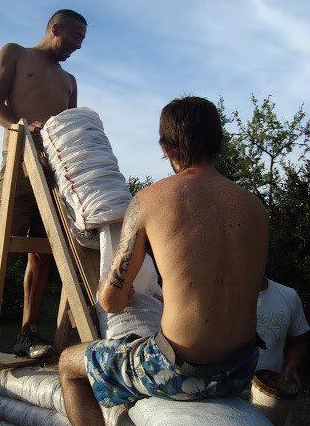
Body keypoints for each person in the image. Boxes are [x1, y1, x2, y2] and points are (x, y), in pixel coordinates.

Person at [58, 96, 269, 426]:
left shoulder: (148, 201)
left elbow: (110, 301)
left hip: (176, 372)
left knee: (69, 364)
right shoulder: (255, 207)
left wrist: (129, 293)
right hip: (242, 369)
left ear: (166, 148)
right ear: (220, 143)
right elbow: (252, 286)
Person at [0, 9, 87, 367]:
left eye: (83, 41)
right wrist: (20, 128)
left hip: (52, 172)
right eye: (75, 38)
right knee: (1, 245)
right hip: (19, 162)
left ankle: (27, 333)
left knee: (44, 250)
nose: (78, 47)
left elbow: (69, 126)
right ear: (55, 28)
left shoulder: (69, 80)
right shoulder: (15, 53)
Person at [257, 277, 309, 387]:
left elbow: (299, 340)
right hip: (222, 395)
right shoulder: (218, 295)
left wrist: (292, 364)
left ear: (266, 259)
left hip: (269, 389)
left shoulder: (288, 296)